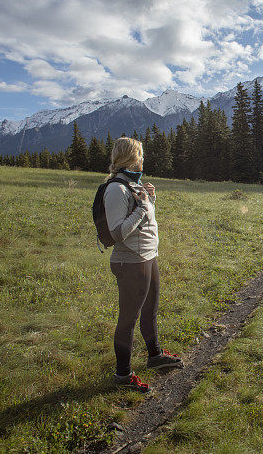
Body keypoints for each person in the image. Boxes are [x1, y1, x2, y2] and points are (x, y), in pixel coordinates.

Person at [103, 137, 183, 392]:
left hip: (148, 256)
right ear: (131, 157)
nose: (143, 159)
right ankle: (123, 375)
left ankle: (155, 356)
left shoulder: (131, 185)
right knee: (129, 318)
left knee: (150, 310)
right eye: (141, 155)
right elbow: (117, 233)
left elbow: (144, 220)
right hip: (130, 262)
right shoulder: (116, 189)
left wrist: (150, 199)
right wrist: (143, 207)